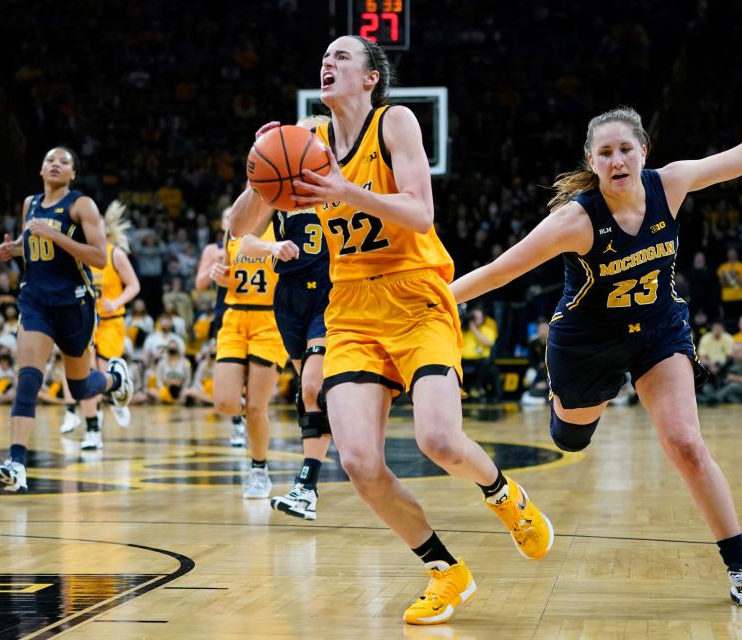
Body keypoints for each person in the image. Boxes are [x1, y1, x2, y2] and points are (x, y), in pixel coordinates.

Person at [451, 74, 742, 609]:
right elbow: (497, 271)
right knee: (570, 441)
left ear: (643, 151)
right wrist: (436, 299)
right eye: (605, 152)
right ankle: (568, 402)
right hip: (586, 341)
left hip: (657, 330)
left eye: (626, 148)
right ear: (592, 161)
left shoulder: (669, 184)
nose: (617, 159)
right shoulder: (574, 221)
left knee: (687, 445)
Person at [232, 36, 553, 625]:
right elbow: (235, 226)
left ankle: (505, 495)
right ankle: (444, 571)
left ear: (371, 77)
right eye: (323, 56)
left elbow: (421, 213)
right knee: (357, 460)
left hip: (414, 293)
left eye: (342, 57)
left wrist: (344, 190)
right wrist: (262, 167)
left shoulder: (395, 122)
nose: (327, 63)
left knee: (438, 440)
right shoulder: (305, 143)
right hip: (350, 306)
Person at [0, 147, 133, 492]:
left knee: (81, 386)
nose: (55, 164)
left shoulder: (81, 205)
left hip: (75, 304)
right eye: (50, 160)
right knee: (28, 378)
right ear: (41, 170)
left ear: (72, 174)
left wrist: (56, 235)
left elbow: (100, 258)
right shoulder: (30, 204)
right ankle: (17, 463)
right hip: (36, 301)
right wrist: (16, 250)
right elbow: (34, 242)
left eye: (64, 161)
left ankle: (115, 379)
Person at [230, 115, 333, 517]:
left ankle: (306, 484)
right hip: (289, 298)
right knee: (310, 395)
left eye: (310, 136)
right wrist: (259, 165)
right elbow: (239, 232)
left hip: (331, 295)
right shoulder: (280, 189)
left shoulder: (340, 181)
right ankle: (310, 479)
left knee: (311, 387)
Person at [209, 215, 289, 499]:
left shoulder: (282, 224)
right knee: (225, 402)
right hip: (234, 317)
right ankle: (254, 425)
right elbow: (228, 272)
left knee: (257, 407)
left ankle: (259, 470)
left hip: (269, 319)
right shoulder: (234, 230)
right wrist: (220, 274)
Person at [70, 201, 141, 450]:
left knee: (102, 369)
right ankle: (92, 429)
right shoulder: (77, 254)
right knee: (85, 375)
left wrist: (117, 301)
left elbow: (134, 285)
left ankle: (117, 393)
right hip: (85, 320)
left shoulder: (113, 254)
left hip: (111, 322)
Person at [194, 207, 245, 447]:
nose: (230, 219)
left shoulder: (254, 243)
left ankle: (249, 415)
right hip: (225, 309)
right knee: (231, 367)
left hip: (255, 308)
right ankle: (238, 423)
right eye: (226, 216)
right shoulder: (212, 250)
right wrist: (215, 264)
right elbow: (200, 284)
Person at [460, 304, 502, 402]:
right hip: (464, 360)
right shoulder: (464, 330)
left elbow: (488, 343)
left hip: (481, 361)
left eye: (478, 318)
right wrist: (461, 323)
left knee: (487, 365)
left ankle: (477, 388)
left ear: (483, 319)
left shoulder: (488, 330)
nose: (475, 320)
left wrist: (474, 329)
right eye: (473, 317)